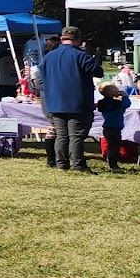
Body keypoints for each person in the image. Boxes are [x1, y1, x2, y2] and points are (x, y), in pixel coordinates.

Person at [39, 27, 103, 172]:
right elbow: (98, 72)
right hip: (77, 101)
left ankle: (61, 164)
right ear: (78, 39)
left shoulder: (49, 56)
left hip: (55, 102)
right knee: (76, 136)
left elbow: (41, 77)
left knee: (61, 135)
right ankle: (77, 164)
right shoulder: (80, 55)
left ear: (62, 39)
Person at [96, 82, 131, 173]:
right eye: (115, 88)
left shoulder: (102, 103)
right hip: (115, 128)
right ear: (111, 92)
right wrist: (124, 96)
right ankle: (113, 165)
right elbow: (127, 104)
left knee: (111, 146)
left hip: (107, 127)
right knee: (114, 147)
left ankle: (112, 162)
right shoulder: (117, 104)